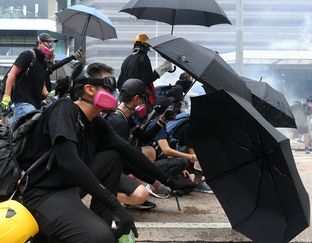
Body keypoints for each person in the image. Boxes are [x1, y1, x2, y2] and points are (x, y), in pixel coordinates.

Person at [17, 62, 194, 242]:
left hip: (69, 187)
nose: (115, 95)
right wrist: (115, 205)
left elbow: (129, 153)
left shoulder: (97, 122)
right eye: (109, 87)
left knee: (113, 157)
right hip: (43, 193)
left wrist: (169, 181)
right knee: (101, 238)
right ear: (89, 89)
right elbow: (69, 162)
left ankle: (99, 223)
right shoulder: (64, 108)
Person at [105, 78, 173, 209]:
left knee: (149, 151)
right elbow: (125, 159)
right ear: (136, 98)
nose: (143, 101)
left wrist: (162, 120)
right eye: (143, 98)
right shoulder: (118, 121)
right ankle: (104, 193)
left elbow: (144, 138)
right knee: (141, 195)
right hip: (107, 168)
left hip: (115, 161)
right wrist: (156, 181)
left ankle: (126, 191)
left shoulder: (124, 116)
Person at [0, 32, 83, 120]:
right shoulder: (28, 55)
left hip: (35, 104)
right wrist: (6, 96)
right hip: (24, 103)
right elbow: (11, 74)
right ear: (39, 43)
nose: (50, 45)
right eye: (48, 42)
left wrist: (47, 93)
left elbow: (40, 81)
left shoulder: (42, 62)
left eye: (52, 43)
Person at [146, 96, 213, 194]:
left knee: (189, 185)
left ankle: (169, 183)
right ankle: (157, 184)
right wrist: (190, 157)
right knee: (183, 162)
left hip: (159, 162)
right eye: (170, 110)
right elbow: (166, 150)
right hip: (150, 166)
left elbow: (163, 153)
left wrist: (181, 170)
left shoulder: (161, 123)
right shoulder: (156, 125)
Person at [117, 33, 174, 108]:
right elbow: (148, 79)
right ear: (146, 46)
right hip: (137, 100)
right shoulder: (143, 58)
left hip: (124, 100)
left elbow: (119, 83)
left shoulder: (127, 59)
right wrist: (164, 68)